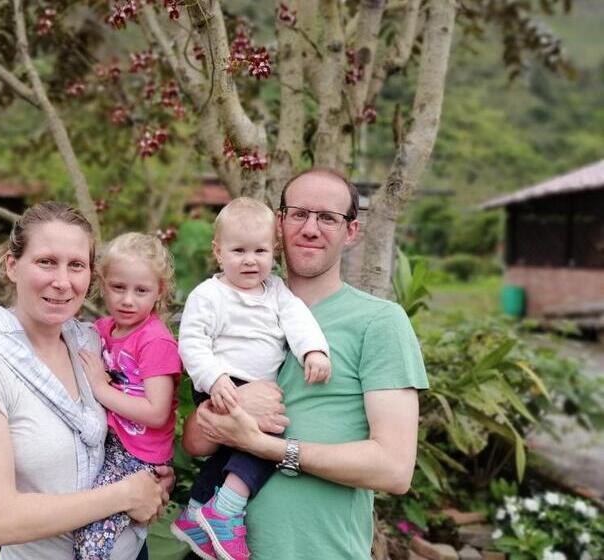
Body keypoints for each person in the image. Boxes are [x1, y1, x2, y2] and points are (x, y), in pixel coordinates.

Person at [182, 169, 429, 560]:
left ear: (351, 231)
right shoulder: (233, 306)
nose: (311, 228)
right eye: (298, 214)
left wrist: (269, 447)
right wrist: (238, 403)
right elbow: (194, 442)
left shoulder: (380, 322)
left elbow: (394, 469)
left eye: (328, 218)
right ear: (279, 224)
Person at [0, 202, 170, 560]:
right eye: (46, 261)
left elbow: (136, 425)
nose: (62, 282)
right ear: (12, 266)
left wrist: (153, 482)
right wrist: (126, 495)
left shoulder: (91, 343)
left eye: (76, 265)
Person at [171, 197, 331, 560]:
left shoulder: (275, 291)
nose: (249, 260)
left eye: (259, 251)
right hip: (223, 385)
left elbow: (299, 321)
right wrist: (213, 378)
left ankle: (197, 510)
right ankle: (226, 510)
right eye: (238, 250)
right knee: (268, 435)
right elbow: (192, 342)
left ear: (274, 252)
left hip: (255, 387)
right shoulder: (209, 295)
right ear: (218, 252)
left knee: (235, 448)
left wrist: (313, 351)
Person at [74, 233, 182, 559]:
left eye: (141, 291)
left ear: (159, 291)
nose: (128, 300)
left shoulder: (155, 341)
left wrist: (100, 388)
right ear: (102, 284)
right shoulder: (105, 328)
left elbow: (157, 412)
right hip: (115, 445)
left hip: (139, 455)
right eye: (118, 287)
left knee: (92, 538)